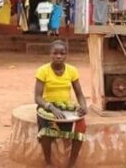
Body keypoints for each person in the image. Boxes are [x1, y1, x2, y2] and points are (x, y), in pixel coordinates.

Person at [34, 40, 88, 168]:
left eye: (62, 53)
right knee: (46, 130)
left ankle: (71, 164)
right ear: (50, 54)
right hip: (47, 106)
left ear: (66, 54)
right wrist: (51, 108)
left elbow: (79, 94)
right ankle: (48, 163)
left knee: (80, 126)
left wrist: (83, 106)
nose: (59, 56)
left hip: (65, 106)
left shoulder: (72, 70)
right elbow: (37, 97)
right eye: (55, 53)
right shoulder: (43, 71)